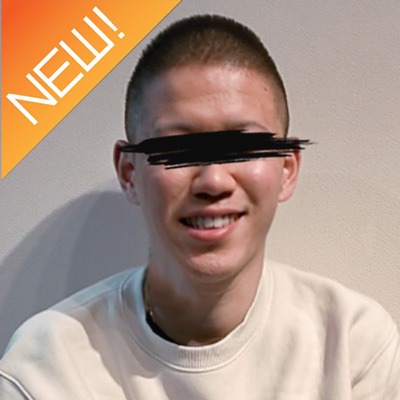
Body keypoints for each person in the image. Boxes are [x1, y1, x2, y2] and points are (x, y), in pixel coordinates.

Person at [0, 14, 399, 400]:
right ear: (129, 172)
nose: (213, 181)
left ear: (287, 168)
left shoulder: (353, 348)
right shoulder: (48, 367)